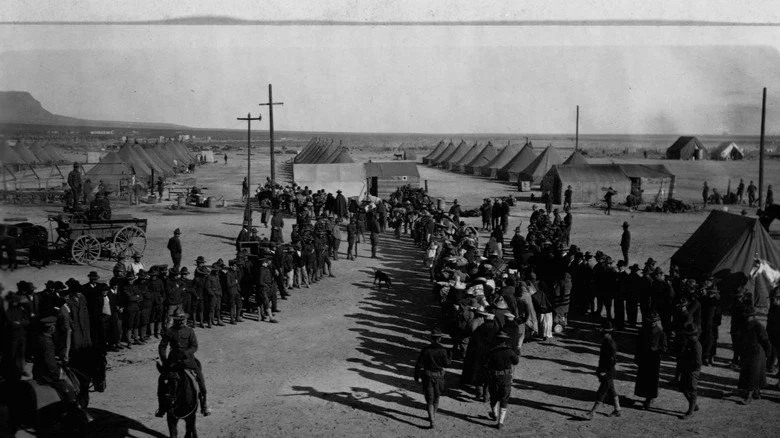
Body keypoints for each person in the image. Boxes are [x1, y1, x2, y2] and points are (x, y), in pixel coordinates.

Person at [156, 309, 211, 417]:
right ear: (175, 320)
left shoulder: (190, 331)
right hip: (173, 361)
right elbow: (162, 346)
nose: (181, 322)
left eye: (183, 319)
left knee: (201, 381)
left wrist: (185, 353)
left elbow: (194, 346)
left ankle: (204, 405)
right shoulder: (169, 331)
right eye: (178, 320)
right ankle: (161, 407)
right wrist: (164, 360)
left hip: (188, 361)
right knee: (163, 381)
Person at [413, 328, 451, 429]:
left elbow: (418, 365)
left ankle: (432, 420)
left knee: (429, 400)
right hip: (439, 377)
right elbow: (446, 364)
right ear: (439, 339)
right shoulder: (443, 351)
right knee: (437, 397)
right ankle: (433, 415)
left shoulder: (425, 350)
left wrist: (416, 376)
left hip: (428, 377)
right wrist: (450, 357)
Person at [586, 321, 621, 419]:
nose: (601, 334)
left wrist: (605, 371)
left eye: (603, 332)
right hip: (605, 370)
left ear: (608, 333)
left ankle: (592, 412)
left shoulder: (611, 344)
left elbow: (613, 361)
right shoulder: (606, 341)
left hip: (608, 372)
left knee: (602, 391)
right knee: (611, 390)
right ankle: (617, 409)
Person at [486, 331, 520, 429]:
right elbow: (516, 362)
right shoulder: (509, 351)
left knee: (493, 397)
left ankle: (494, 414)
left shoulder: (492, 351)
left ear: (497, 340)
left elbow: (486, 364)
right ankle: (500, 422)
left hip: (494, 378)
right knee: (504, 399)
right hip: (506, 378)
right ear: (505, 341)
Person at [738, 306, 771, 404]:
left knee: (753, 374)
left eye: (748, 316)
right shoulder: (744, 325)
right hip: (748, 352)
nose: (745, 317)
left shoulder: (758, 326)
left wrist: (768, 353)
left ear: (753, 316)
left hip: (757, 353)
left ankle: (749, 397)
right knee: (750, 373)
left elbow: (765, 341)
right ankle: (756, 393)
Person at [634, 312, 666, 409]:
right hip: (644, 358)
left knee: (652, 380)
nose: (652, 323)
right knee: (643, 379)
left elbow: (664, 347)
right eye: (651, 321)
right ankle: (645, 396)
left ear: (657, 322)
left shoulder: (661, 333)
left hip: (654, 359)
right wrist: (636, 356)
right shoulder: (643, 331)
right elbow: (638, 345)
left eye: (654, 321)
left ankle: (649, 399)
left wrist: (657, 350)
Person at [677, 322, 702, 419]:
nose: (688, 337)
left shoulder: (696, 346)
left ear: (695, 335)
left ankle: (690, 412)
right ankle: (694, 405)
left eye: (690, 335)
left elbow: (698, 363)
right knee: (683, 387)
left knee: (692, 390)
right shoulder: (690, 342)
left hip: (692, 371)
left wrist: (688, 366)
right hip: (686, 369)